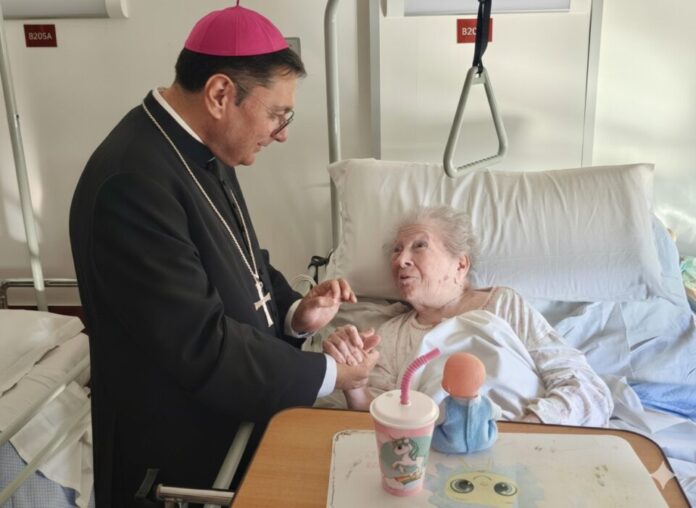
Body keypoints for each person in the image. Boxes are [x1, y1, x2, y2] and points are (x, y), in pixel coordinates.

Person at [69, 4, 377, 506]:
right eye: (277, 114)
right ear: (219, 94)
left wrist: (295, 313)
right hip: (173, 456)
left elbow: (245, 257)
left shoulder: (202, 145)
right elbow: (199, 343)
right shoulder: (133, 183)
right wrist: (328, 375)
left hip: (235, 417)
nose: (282, 132)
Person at [323, 205, 613, 426]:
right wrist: (354, 385)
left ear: (460, 264)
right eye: (396, 251)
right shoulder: (389, 335)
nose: (401, 260)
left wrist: (527, 430)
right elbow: (382, 425)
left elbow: (587, 391)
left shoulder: (503, 305)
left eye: (419, 246)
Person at [431, 352, 500, 454]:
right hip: (483, 442)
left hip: (451, 445)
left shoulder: (446, 406)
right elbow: (498, 414)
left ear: (448, 386)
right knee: (491, 421)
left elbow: (434, 421)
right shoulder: (487, 404)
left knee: (433, 430)